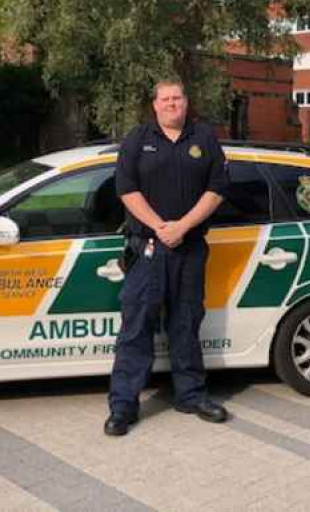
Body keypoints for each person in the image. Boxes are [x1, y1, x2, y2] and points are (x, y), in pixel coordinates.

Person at [104, 79, 230, 436]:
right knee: (136, 328)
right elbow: (126, 189)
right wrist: (161, 227)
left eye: (178, 98)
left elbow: (217, 188)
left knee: (186, 324)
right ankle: (124, 405)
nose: (172, 104)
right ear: (155, 105)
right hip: (147, 248)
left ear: (186, 103)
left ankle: (191, 395)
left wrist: (183, 227)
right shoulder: (136, 140)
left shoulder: (203, 138)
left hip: (189, 248)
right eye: (166, 99)